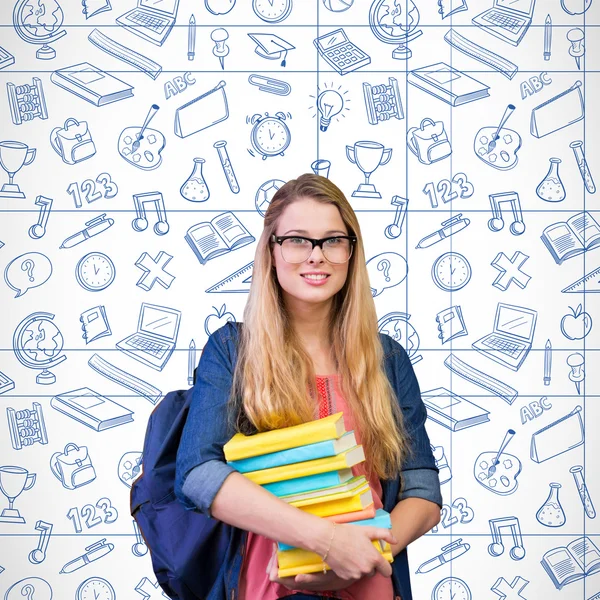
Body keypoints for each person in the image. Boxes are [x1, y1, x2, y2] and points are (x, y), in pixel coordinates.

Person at [175, 174, 442, 600]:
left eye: (333, 240)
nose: (316, 257)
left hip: (369, 583)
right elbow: (198, 474)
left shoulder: (387, 358)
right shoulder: (233, 350)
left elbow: (423, 489)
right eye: (298, 240)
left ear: (351, 253)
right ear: (272, 251)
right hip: (268, 587)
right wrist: (326, 542)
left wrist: (364, 554)